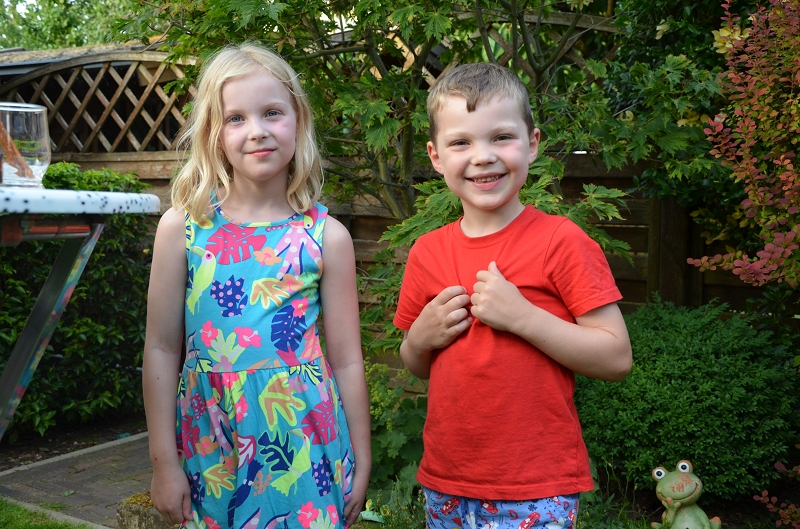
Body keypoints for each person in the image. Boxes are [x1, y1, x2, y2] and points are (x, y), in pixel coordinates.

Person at [394, 62, 632, 529]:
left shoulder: (561, 242)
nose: (483, 156)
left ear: (532, 143)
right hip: (446, 481)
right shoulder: (426, 252)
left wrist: (523, 318)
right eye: (461, 142)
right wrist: (418, 340)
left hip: (535, 485)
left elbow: (616, 357)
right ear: (436, 156)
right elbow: (418, 363)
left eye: (501, 137)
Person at [143, 43, 370, 529]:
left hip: (308, 444)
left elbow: (348, 359)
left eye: (272, 113)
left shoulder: (326, 237)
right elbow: (161, 349)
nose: (257, 131)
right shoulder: (182, 229)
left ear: (298, 120)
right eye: (236, 118)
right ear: (214, 133)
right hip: (211, 444)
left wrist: (363, 455)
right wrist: (163, 464)